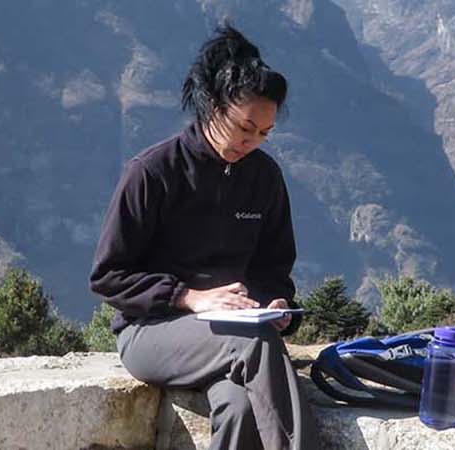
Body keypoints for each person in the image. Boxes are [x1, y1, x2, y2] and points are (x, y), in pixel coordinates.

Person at [89, 24, 316, 450]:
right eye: (244, 127)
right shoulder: (153, 172)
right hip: (151, 331)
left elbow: (273, 266)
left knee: (240, 409)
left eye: (264, 133)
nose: (251, 142)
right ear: (213, 105)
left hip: (230, 336)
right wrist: (188, 297)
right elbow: (108, 276)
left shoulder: (265, 178)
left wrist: (275, 303)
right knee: (254, 341)